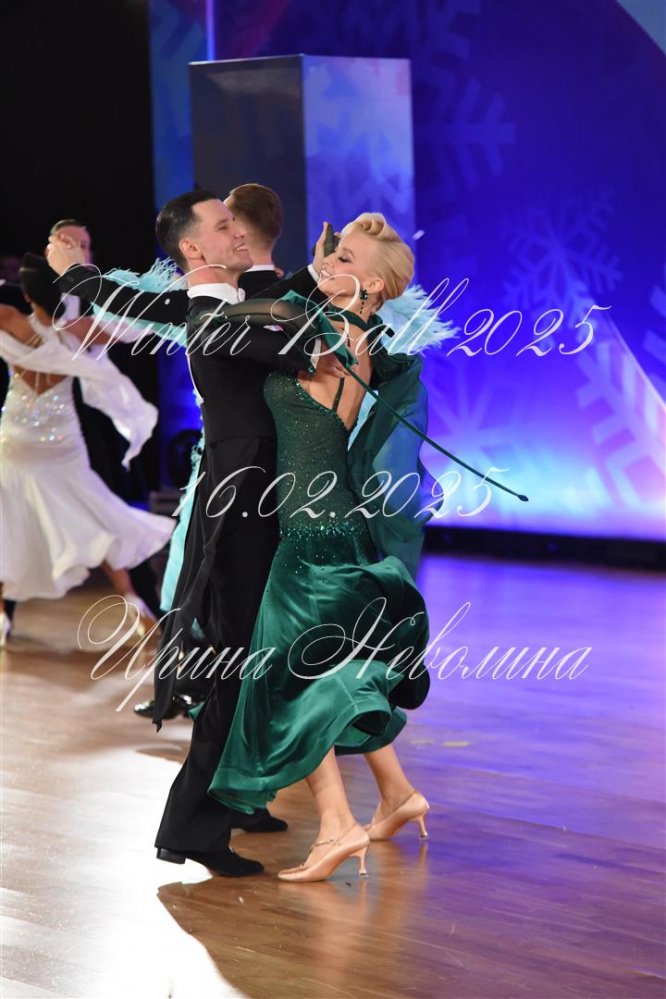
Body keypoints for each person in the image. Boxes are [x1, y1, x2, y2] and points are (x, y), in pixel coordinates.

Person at [202, 213, 432, 882]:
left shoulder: (328, 337)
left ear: (376, 284)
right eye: (334, 253)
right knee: (332, 669)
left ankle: (336, 826)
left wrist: (303, 281)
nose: (331, 263)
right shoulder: (356, 334)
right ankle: (396, 794)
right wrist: (324, 268)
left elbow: (235, 321)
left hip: (309, 533)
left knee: (288, 682)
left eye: (346, 258)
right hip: (330, 523)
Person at [138, 189, 343, 878]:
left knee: (255, 661)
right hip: (238, 513)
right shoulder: (208, 319)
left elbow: (272, 307)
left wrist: (315, 275)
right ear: (192, 247)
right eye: (223, 226)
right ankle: (192, 824)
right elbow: (285, 340)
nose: (238, 234)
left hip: (256, 504)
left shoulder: (231, 305)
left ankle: (224, 806)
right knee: (239, 665)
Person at [0, 254, 174, 643]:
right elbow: (128, 329)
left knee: (6, 522)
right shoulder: (77, 331)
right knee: (95, 518)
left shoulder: (9, 319)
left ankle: (1, 617)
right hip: (62, 441)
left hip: (17, 439)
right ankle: (133, 601)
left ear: (27, 295)